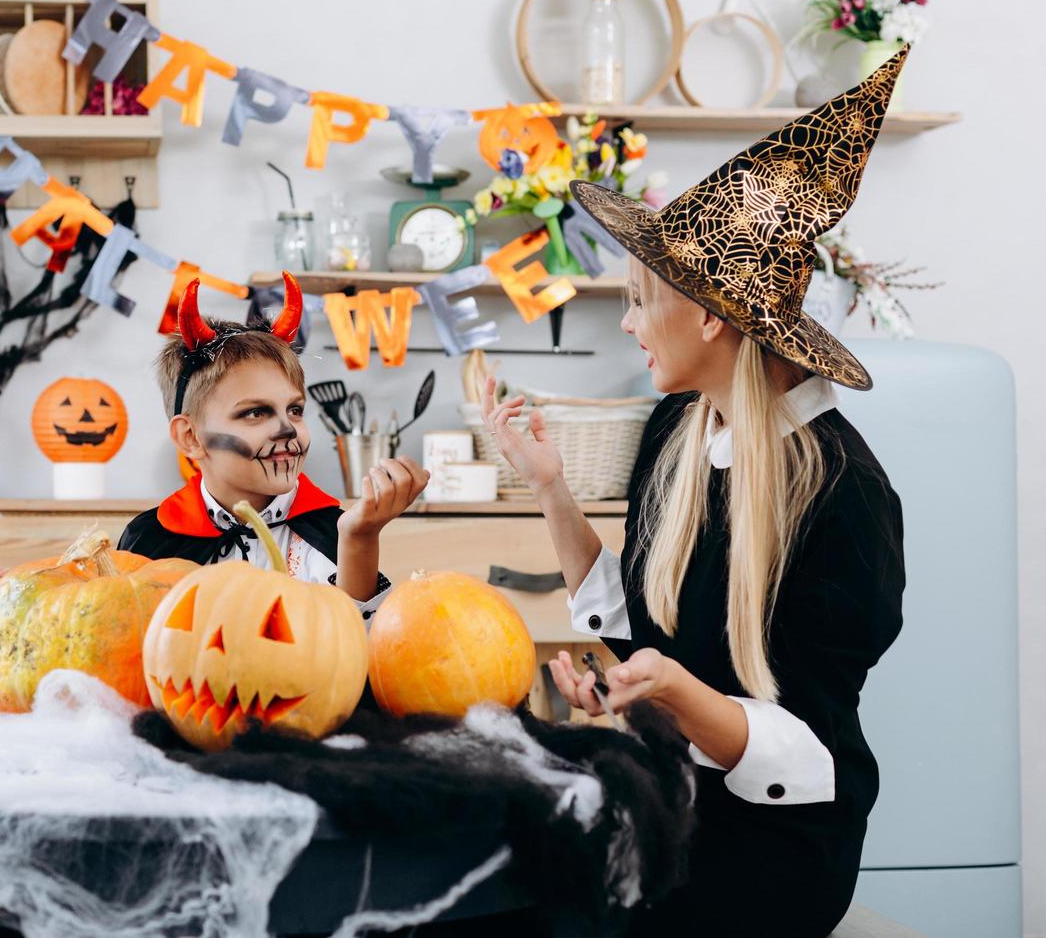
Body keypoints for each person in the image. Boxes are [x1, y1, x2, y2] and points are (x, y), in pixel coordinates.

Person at [481, 51, 910, 936]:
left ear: (710, 315)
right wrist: (552, 489)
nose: (630, 322)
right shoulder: (677, 430)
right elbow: (638, 619)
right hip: (669, 806)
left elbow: (815, 751)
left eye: (640, 299)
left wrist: (677, 698)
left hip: (770, 861)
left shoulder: (844, 493)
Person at [119, 273, 429, 622]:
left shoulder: (331, 533)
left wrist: (359, 539)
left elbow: (357, 654)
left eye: (295, 410)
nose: (287, 429)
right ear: (191, 437)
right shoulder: (150, 541)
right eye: (255, 412)